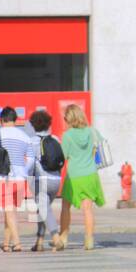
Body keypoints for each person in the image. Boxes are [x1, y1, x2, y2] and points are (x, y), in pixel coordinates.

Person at [0, 106, 35, 253]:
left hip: (4, 178)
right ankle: (6, 244)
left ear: (2, 119)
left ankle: (17, 243)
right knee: (10, 210)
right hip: (20, 179)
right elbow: (31, 158)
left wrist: (0, 161)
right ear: (15, 119)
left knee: (9, 211)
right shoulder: (24, 136)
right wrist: (23, 170)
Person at [59, 104, 107, 251]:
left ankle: (64, 237)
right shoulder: (92, 131)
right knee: (88, 209)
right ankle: (89, 240)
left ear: (69, 118)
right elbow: (100, 146)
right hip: (90, 175)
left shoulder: (67, 136)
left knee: (66, 207)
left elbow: (63, 156)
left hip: (74, 176)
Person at [27, 109, 65, 253]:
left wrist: (24, 174)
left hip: (40, 180)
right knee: (42, 209)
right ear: (48, 124)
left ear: (33, 125)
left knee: (44, 209)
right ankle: (39, 241)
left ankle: (56, 238)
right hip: (55, 180)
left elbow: (30, 164)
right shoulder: (55, 139)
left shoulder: (32, 142)